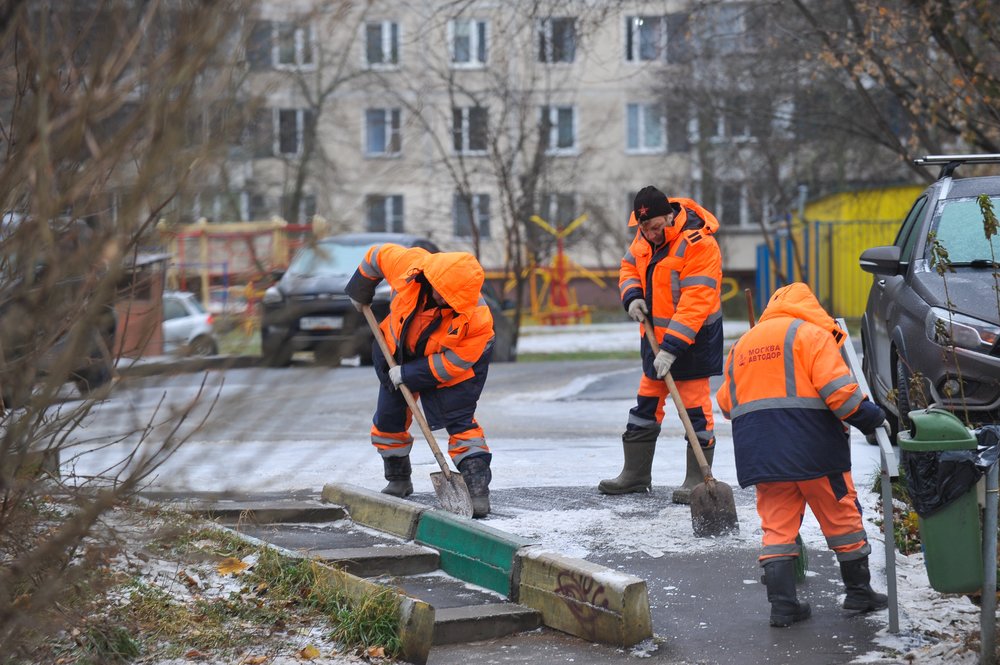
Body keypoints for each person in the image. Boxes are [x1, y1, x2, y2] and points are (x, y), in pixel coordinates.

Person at [715, 282, 889, 627]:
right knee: (843, 522)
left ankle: (783, 607)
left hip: (762, 457)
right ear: (809, 306)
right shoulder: (811, 335)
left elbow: (725, 404)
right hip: (815, 452)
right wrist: (874, 417)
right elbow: (840, 395)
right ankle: (859, 594)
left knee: (777, 529)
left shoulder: (742, 346)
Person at [345, 243, 495, 517]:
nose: (443, 300)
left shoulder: (477, 321)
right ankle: (398, 479)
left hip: (455, 370)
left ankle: (477, 491)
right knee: (388, 420)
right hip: (396, 351)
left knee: (459, 422)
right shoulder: (410, 266)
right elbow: (375, 256)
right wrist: (360, 289)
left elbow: (455, 363)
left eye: (451, 300)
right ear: (432, 279)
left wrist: (410, 374)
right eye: (442, 294)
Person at [599, 186, 724, 503]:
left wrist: (672, 348)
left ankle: (698, 479)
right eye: (644, 229)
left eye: (655, 228)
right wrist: (632, 297)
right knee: (644, 406)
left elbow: (695, 303)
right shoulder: (643, 239)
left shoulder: (699, 245)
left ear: (670, 216)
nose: (651, 235)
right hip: (654, 342)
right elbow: (628, 267)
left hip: (692, 342)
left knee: (694, 408)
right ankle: (635, 475)